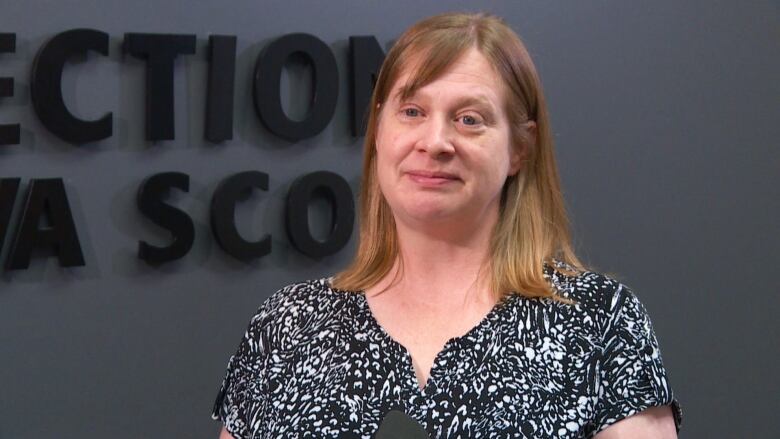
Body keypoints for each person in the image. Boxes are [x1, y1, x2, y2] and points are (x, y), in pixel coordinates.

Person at [212, 12, 682, 438]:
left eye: (469, 119)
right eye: (412, 111)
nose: (435, 141)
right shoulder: (287, 329)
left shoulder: (600, 325)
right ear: (379, 130)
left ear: (520, 148)